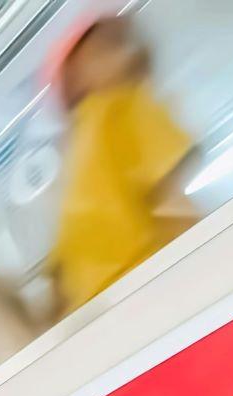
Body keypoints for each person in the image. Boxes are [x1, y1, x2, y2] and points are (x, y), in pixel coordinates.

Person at [47, 14, 197, 315]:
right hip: (149, 275)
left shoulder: (74, 151)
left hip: (98, 305)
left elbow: (62, 266)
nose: (124, 51)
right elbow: (169, 195)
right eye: (107, 47)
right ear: (76, 77)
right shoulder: (125, 106)